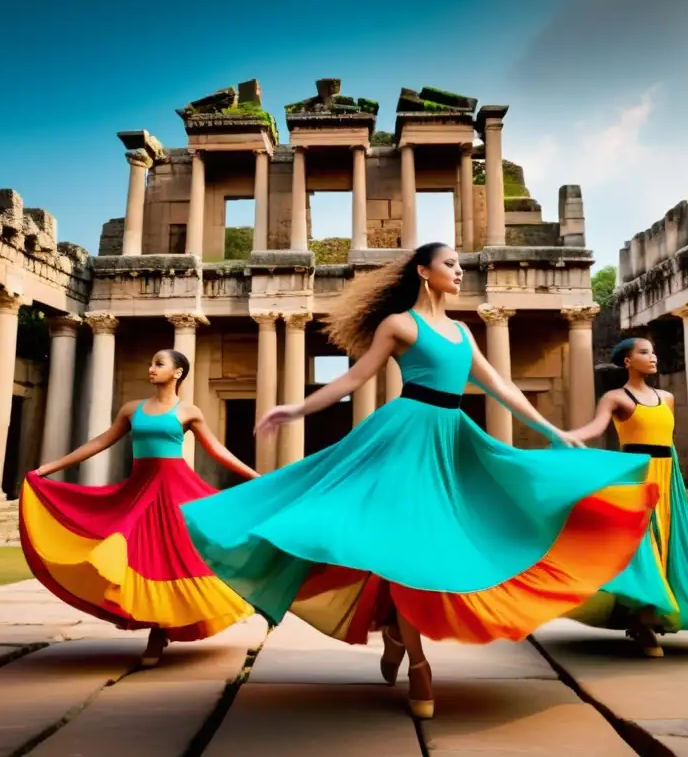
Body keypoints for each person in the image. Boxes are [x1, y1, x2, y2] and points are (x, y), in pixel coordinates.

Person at [180, 242, 659, 719]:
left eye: (459, 265)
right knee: (401, 546)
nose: (459, 272)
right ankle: (419, 664)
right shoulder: (400, 325)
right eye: (449, 264)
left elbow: (503, 387)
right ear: (424, 271)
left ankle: (393, 630)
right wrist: (296, 408)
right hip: (403, 439)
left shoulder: (462, 334)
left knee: (455, 537)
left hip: (449, 441)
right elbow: (354, 379)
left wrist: (550, 430)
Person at [22, 349, 259, 667]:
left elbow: (217, 450)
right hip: (140, 491)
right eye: (150, 362)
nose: (150, 368)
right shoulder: (132, 410)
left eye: (159, 364)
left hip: (176, 491)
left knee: (174, 560)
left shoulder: (189, 412)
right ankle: (154, 627)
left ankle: (158, 634)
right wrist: (49, 468)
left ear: (177, 373)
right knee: (130, 555)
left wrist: (257, 478)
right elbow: (99, 442)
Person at [565, 337, 688, 657]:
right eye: (644, 352)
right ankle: (644, 621)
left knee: (667, 543)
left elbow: (666, 439)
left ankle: (653, 616)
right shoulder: (614, 397)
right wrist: (568, 436)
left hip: (668, 476)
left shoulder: (666, 398)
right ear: (627, 361)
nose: (653, 357)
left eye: (653, 351)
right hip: (637, 477)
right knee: (642, 546)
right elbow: (597, 429)